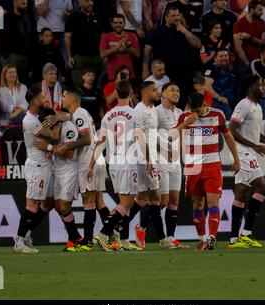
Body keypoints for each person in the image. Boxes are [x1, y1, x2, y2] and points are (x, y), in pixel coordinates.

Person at [169, 92, 240, 251]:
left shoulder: (217, 115)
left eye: (199, 110)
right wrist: (185, 123)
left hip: (212, 164)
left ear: (205, 104)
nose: (197, 114)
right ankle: (202, 239)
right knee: (197, 204)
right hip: (193, 166)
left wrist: (236, 159)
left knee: (213, 201)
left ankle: (212, 237)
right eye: (194, 110)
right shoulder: (185, 117)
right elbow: (170, 137)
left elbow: (228, 137)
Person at [228, 75, 265, 249]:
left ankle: (234, 240)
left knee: (241, 195)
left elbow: (252, 132)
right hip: (243, 153)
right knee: (262, 189)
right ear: (250, 89)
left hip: (248, 152)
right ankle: (246, 234)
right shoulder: (244, 105)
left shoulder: (257, 107)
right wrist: (256, 146)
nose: (263, 88)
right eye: (259, 85)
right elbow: (231, 129)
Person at [46, 87, 107, 246]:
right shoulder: (79, 113)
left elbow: (86, 139)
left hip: (88, 160)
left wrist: (67, 147)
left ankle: (87, 241)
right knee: (98, 201)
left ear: (72, 99)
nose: (62, 97)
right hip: (96, 158)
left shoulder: (79, 114)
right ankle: (113, 236)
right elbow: (67, 116)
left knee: (89, 201)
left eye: (64, 95)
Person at [88, 80, 142, 251]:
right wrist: (149, 160)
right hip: (128, 162)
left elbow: (100, 142)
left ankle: (124, 239)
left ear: (116, 94)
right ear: (131, 93)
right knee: (126, 203)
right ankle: (103, 233)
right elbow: (140, 140)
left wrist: (91, 164)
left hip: (113, 164)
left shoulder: (107, 116)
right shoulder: (135, 114)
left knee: (123, 203)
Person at [34, 107, 91, 252]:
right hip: (56, 169)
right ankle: (74, 240)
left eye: (53, 127)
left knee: (64, 206)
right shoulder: (52, 128)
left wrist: (48, 148)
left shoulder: (68, 129)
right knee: (58, 206)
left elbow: (70, 153)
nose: (52, 132)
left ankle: (78, 239)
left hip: (69, 170)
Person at [130, 81, 179, 249]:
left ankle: (164, 238)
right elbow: (141, 137)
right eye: (155, 90)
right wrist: (153, 157)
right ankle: (122, 225)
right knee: (155, 200)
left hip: (160, 159)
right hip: (149, 160)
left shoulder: (153, 110)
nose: (156, 93)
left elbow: (154, 136)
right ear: (145, 93)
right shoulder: (143, 111)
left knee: (153, 199)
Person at [13, 86, 61, 253]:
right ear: (33, 100)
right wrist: (57, 123)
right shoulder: (30, 121)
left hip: (46, 165)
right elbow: (54, 137)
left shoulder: (36, 118)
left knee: (48, 203)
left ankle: (26, 235)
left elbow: (50, 141)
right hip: (37, 167)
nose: (44, 98)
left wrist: (49, 146)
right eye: (41, 96)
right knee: (32, 205)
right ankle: (19, 242)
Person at [142, 6, 201, 107]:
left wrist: (185, 31)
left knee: (183, 102)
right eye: (173, 16)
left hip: (184, 75)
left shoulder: (183, 30)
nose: (176, 18)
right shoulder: (157, 31)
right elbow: (147, 50)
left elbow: (197, 44)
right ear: (166, 18)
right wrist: (145, 69)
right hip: (165, 74)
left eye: (178, 15)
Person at [155, 82, 186, 247]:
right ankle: (142, 226)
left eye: (178, 90)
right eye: (172, 90)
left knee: (174, 200)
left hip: (175, 163)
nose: (176, 92)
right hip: (161, 162)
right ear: (163, 94)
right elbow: (150, 135)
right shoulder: (157, 112)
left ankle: (170, 237)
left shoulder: (180, 113)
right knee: (162, 202)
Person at [65, 0, 104, 86]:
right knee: (78, 85)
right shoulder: (72, 17)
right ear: (80, 3)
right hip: (79, 57)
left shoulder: (98, 17)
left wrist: (103, 54)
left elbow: (102, 37)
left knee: (95, 85)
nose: (90, 3)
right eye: (87, 1)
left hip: (96, 57)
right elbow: (67, 38)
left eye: (91, 1)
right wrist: (69, 56)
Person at [0, 0, 37, 83]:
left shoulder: (29, 18)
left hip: (26, 57)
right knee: (9, 84)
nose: (25, 6)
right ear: (15, 3)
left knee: (23, 84)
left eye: (26, 3)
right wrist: (6, 56)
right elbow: (1, 37)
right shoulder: (5, 18)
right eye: (23, 4)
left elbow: (33, 36)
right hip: (11, 57)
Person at [100, 13, 140, 82]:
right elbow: (102, 54)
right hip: (112, 75)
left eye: (120, 22)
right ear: (112, 24)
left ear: (124, 24)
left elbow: (137, 54)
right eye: (115, 23)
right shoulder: (106, 37)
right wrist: (118, 46)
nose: (118, 25)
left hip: (129, 74)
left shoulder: (132, 36)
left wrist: (128, 46)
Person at [233, 0, 265, 77]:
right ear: (252, 10)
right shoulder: (239, 24)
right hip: (243, 63)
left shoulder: (262, 23)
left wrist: (249, 37)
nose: (262, 12)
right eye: (259, 10)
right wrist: (248, 65)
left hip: (258, 62)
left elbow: (264, 43)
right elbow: (238, 49)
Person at [204, 47, 239, 119]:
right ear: (215, 58)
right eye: (221, 56)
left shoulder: (230, 70)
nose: (224, 58)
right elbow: (206, 86)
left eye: (226, 56)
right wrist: (219, 97)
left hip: (232, 102)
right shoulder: (212, 69)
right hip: (219, 103)